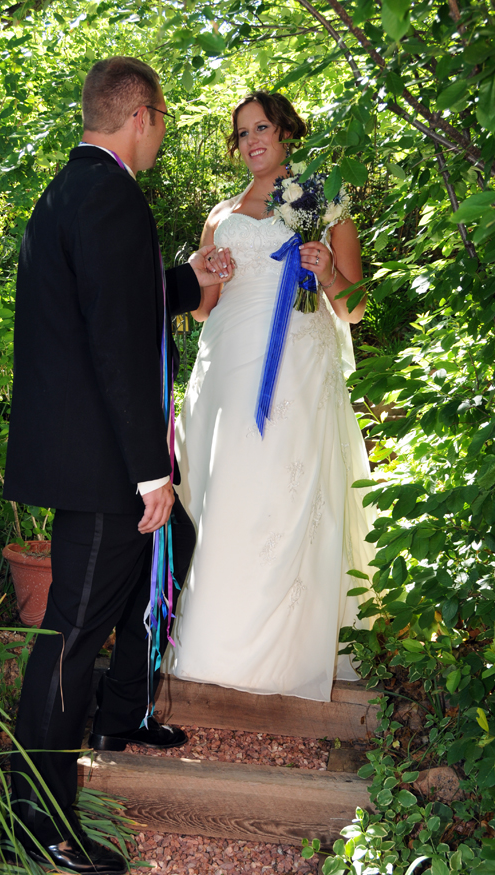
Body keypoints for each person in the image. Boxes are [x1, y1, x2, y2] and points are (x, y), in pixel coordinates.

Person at [3, 57, 232, 875]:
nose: (161, 134)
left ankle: (121, 713)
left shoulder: (74, 189)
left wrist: (189, 280)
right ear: (142, 116)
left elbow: (114, 300)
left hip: (88, 455)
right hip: (103, 463)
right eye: (162, 120)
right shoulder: (110, 195)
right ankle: (37, 815)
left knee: (164, 554)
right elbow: (116, 344)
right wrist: (150, 470)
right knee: (70, 635)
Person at [165, 91, 375, 702]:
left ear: (285, 132)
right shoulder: (220, 213)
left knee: (285, 484)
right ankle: (213, 640)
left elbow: (356, 309)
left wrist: (327, 272)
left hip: (298, 366)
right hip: (228, 367)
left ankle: (289, 649)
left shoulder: (324, 199)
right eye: (242, 133)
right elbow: (202, 311)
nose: (251, 140)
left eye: (261, 127)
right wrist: (208, 272)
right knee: (226, 487)